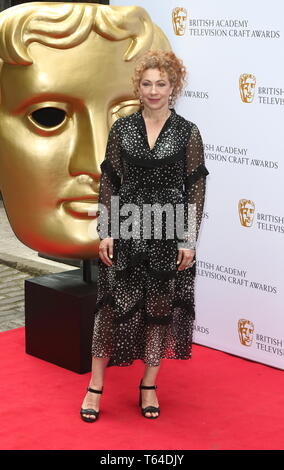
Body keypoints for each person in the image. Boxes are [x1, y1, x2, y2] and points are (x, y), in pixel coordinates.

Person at [80, 50, 209, 422]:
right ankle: (95, 385)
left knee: (159, 310)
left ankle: (149, 385)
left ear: (174, 88)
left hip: (168, 233)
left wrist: (188, 239)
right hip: (127, 228)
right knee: (110, 309)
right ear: (138, 86)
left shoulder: (187, 132)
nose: (154, 91)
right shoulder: (122, 127)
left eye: (161, 84)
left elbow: (195, 188)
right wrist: (106, 230)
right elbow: (110, 180)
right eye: (147, 84)